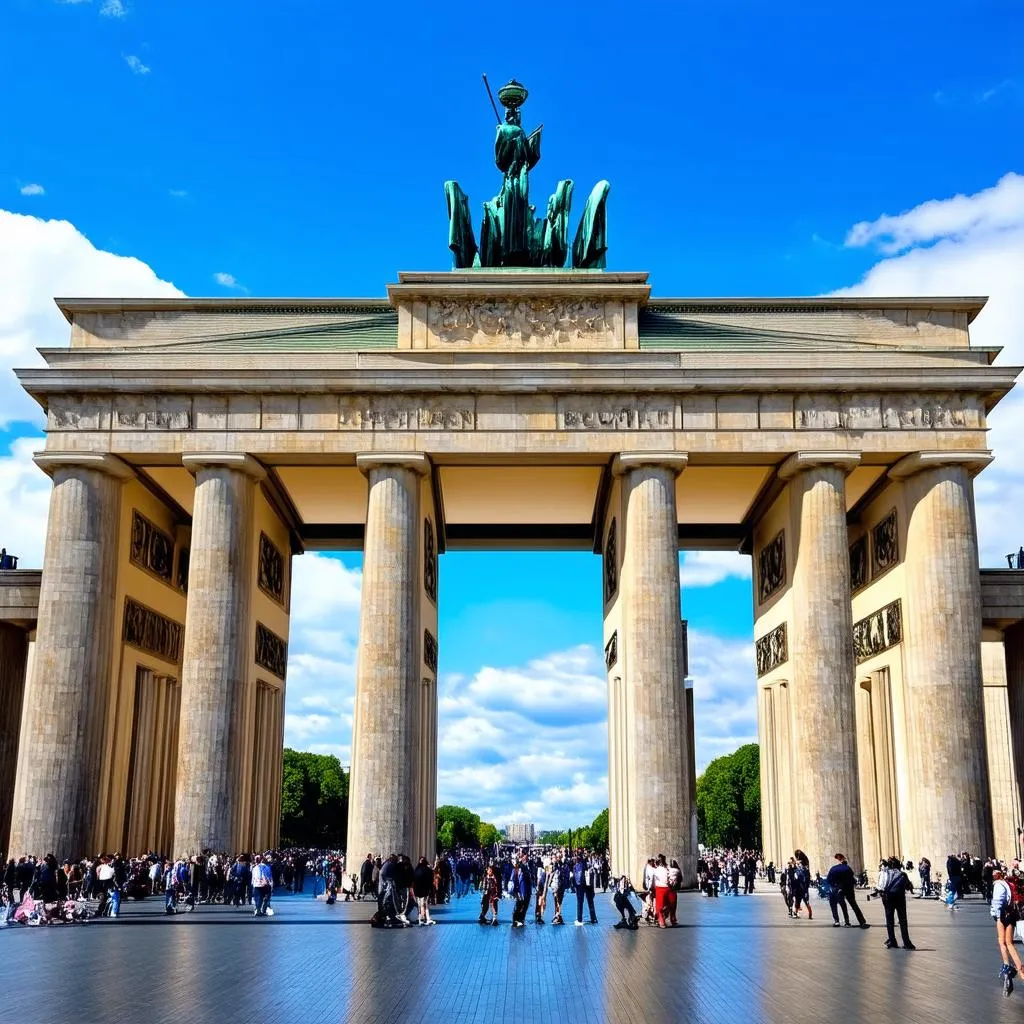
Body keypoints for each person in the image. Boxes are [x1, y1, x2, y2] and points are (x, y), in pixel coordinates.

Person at [991, 868, 1023, 995]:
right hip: (1011, 914)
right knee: (1009, 943)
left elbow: (998, 902)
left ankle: (1007, 966)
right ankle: (1020, 968)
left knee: (1002, 942)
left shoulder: (998, 885)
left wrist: (996, 914)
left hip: (1002, 916)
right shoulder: (1008, 884)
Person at [878, 856, 915, 950]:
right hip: (900, 898)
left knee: (889, 920)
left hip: (888, 898)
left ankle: (892, 940)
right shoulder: (902, 874)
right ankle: (907, 942)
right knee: (902, 920)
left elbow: (880, 886)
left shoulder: (885, 874)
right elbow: (908, 886)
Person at [826, 853, 869, 928]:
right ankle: (861, 921)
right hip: (848, 889)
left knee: (837, 905)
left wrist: (834, 887)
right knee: (854, 905)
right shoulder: (847, 868)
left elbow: (829, 879)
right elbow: (851, 878)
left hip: (838, 889)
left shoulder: (833, 869)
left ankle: (837, 921)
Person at [412, 856, 436, 926]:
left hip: (418, 891)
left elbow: (414, 880)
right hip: (425, 891)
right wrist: (431, 891)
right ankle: (425, 918)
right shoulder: (428, 870)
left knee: (420, 905)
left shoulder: (417, 870)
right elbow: (431, 881)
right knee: (424, 905)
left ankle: (421, 918)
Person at [535, 860, 547, 924]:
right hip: (541, 887)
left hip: (541, 887)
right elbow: (539, 879)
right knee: (540, 902)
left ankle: (539, 915)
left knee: (541, 902)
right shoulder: (540, 869)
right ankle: (538, 916)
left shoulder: (542, 869)